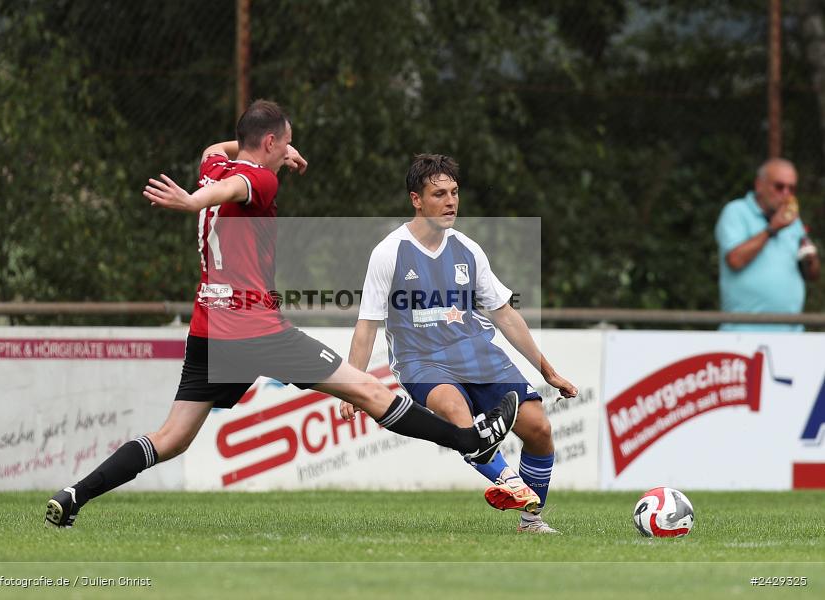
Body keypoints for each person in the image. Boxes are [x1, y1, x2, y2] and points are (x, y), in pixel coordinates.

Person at [44, 101, 518, 528]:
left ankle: (74, 495)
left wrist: (253, 157)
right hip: (255, 328)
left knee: (171, 437)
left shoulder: (213, 163)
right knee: (371, 390)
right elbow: (237, 186)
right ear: (269, 143)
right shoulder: (258, 179)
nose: (290, 152)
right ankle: (469, 442)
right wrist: (194, 200)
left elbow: (219, 151)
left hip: (209, 327)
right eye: (286, 142)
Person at [339, 154, 578, 534]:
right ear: (416, 199)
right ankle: (510, 482)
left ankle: (531, 521)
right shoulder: (389, 252)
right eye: (439, 194)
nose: (450, 201)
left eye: (454, 192)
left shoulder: (467, 248)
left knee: (540, 430)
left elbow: (504, 314)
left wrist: (548, 372)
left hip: (478, 353)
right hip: (422, 362)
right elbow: (366, 327)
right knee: (456, 414)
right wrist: (351, 387)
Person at [715, 158, 820, 331]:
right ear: (759, 185)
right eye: (779, 186)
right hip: (743, 332)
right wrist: (772, 228)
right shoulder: (736, 211)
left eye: (791, 188)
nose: (786, 193)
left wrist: (810, 260)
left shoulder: (793, 221)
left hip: (790, 333)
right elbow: (735, 260)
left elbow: (813, 275)